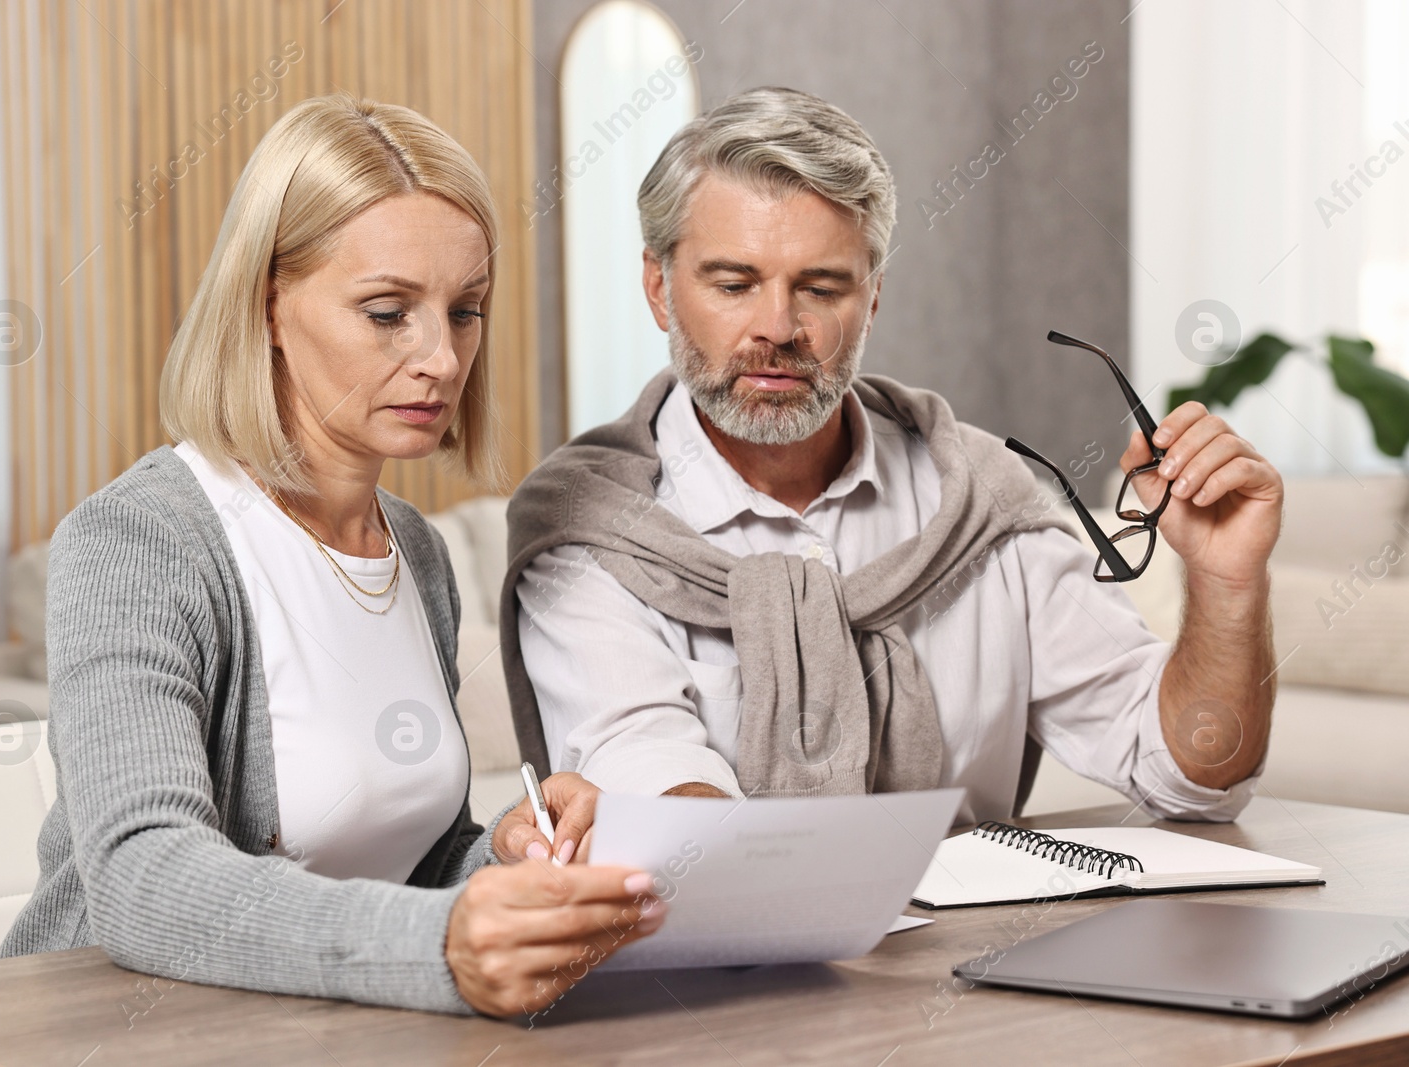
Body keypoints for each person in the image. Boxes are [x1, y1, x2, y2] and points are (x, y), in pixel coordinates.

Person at [0, 94, 663, 1017]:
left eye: (465, 312)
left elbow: (404, 861)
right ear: (269, 305)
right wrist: (441, 945)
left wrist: (499, 856)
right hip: (106, 1033)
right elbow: (141, 875)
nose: (440, 357)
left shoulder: (416, 553)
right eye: (388, 312)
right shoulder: (144, 541)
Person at [502, 87, 1281, 826]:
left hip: (987, 961)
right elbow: (657, 792)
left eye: (821, 287)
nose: (778, 325)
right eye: (735, 283)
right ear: (660, 288)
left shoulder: (984, 504)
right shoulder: (586, 531)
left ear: (872, 297)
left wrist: (1227, 583)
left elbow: (1192, 773)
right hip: (727, 963)